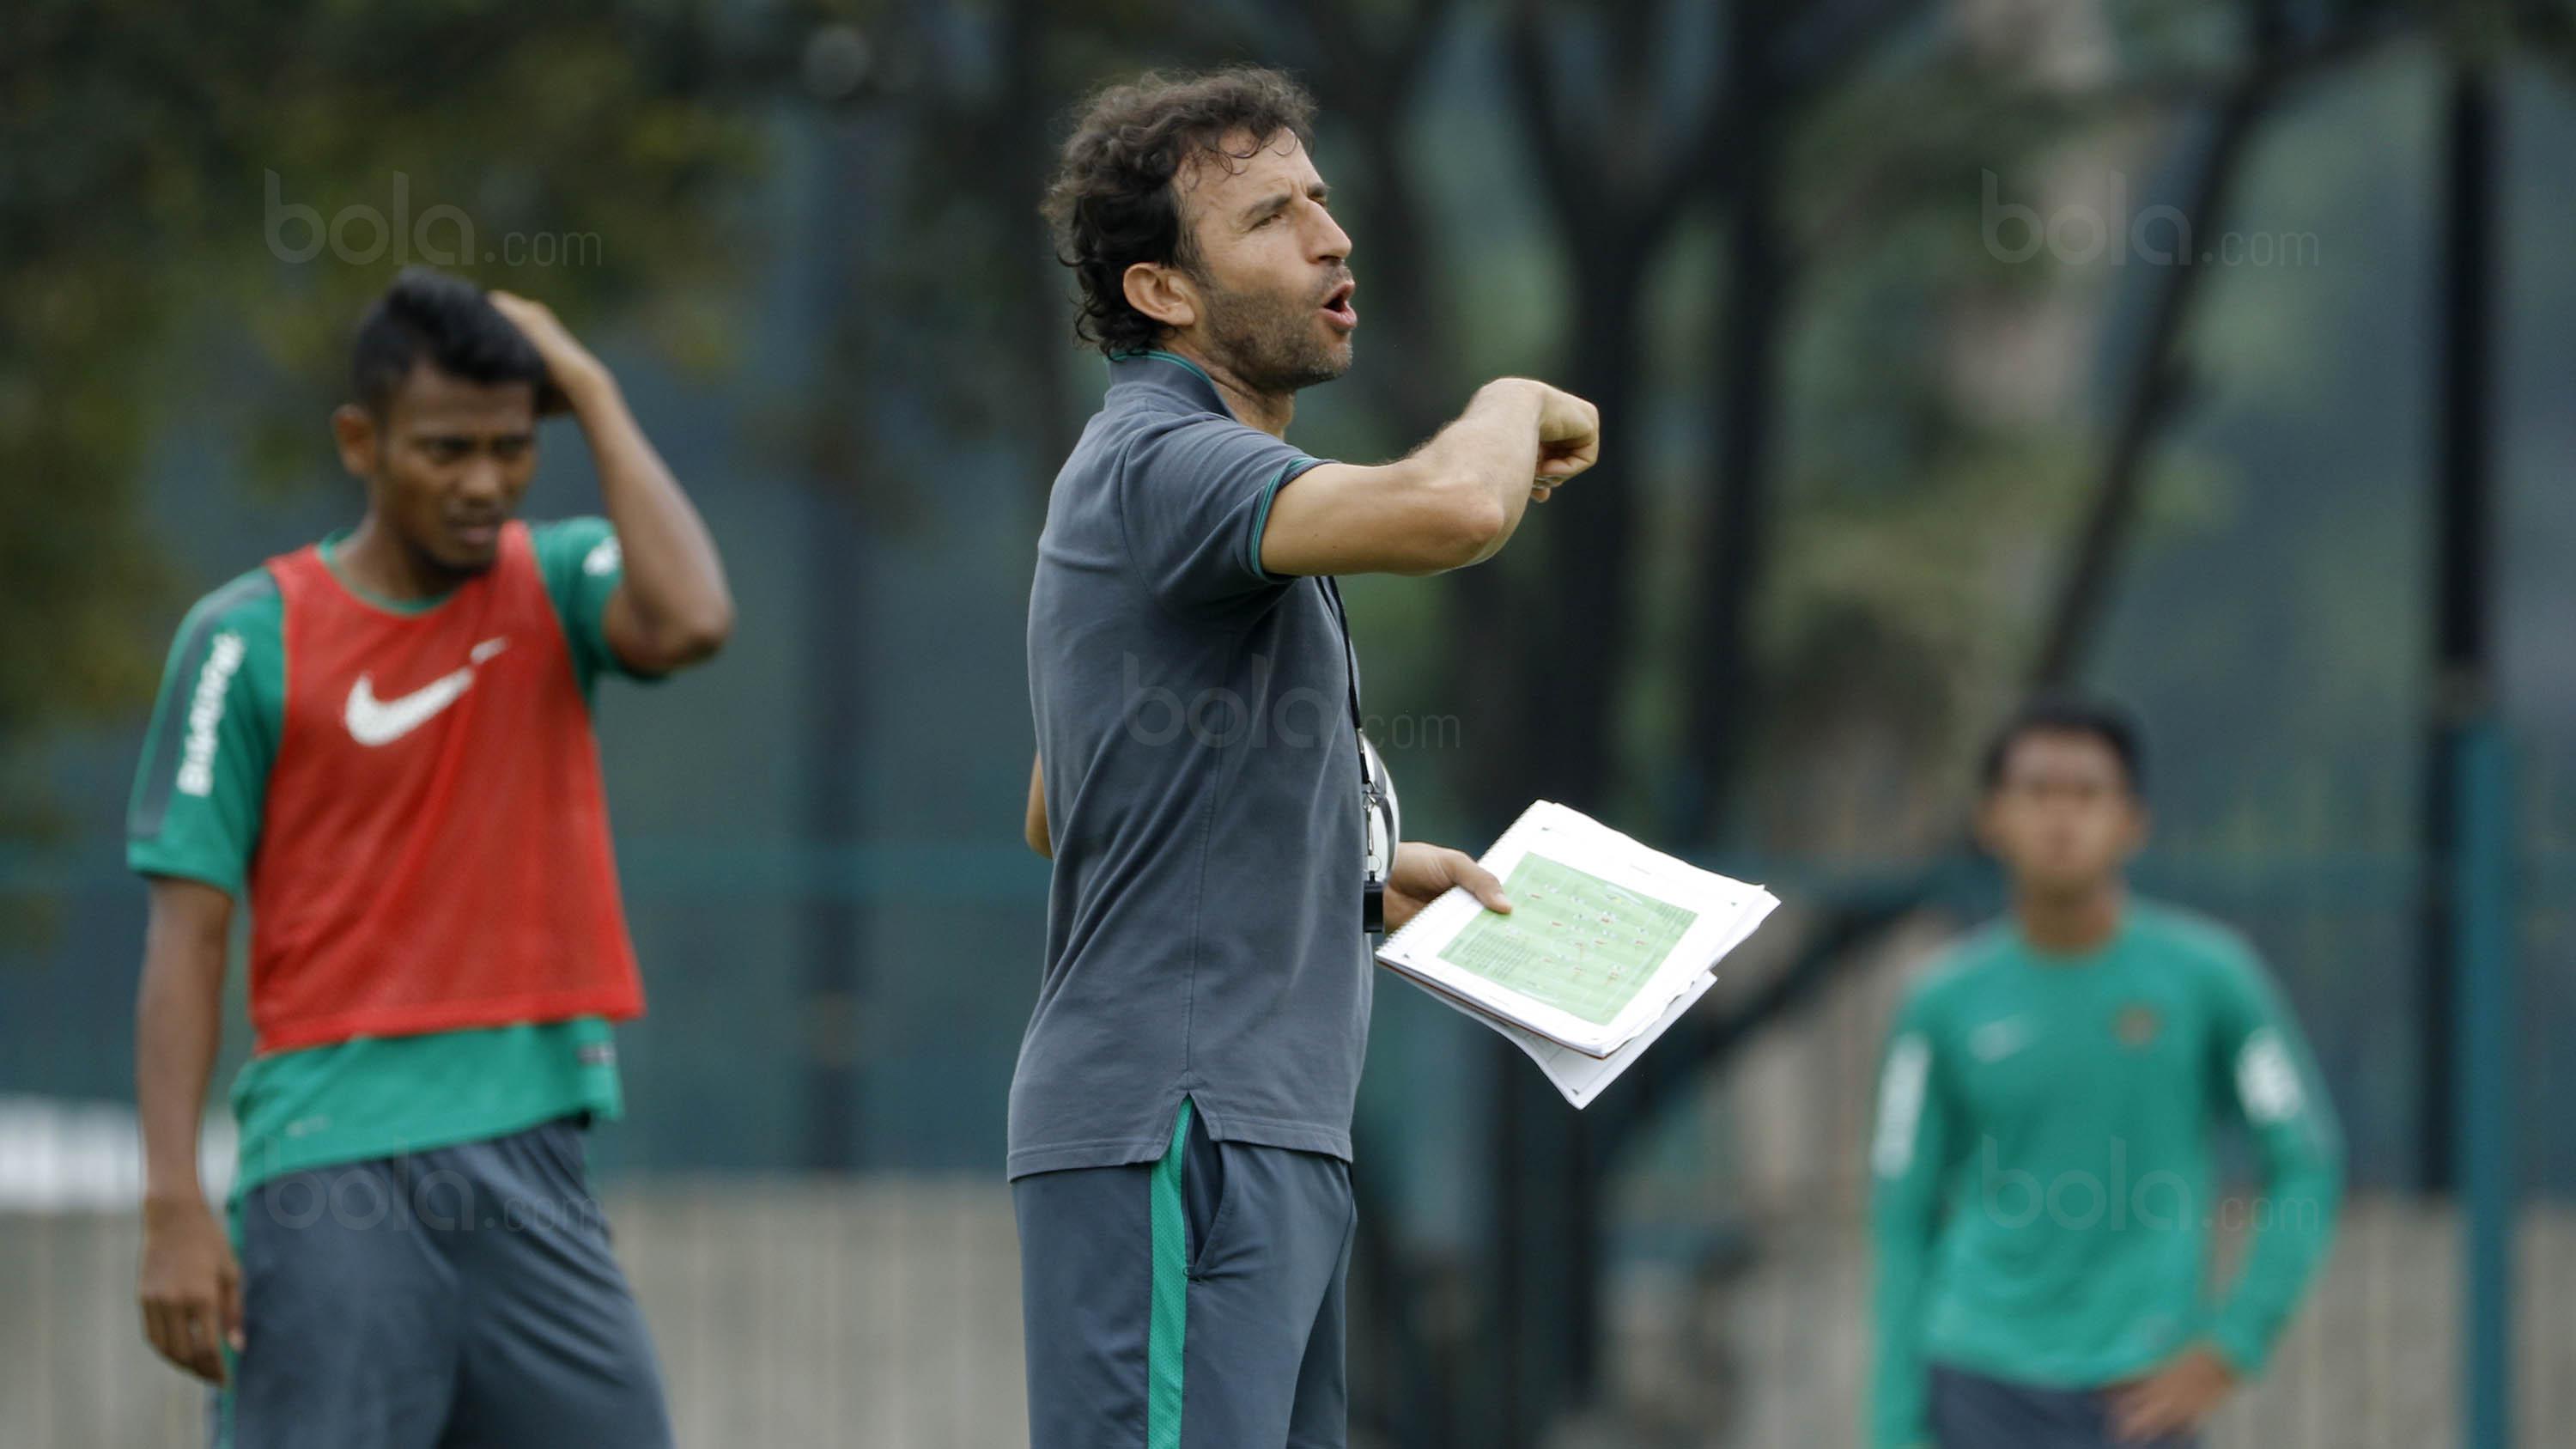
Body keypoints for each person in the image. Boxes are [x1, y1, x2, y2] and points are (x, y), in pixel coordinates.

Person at [1012, 67, 1600, 1449]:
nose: (1332, 238)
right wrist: (1513, 397)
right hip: (1173, 1120)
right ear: (1163, 292)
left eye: (1322, 201)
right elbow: (1458, 506)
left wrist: (1354, 863)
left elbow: (1061, 803)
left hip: (1271, 1126)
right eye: (1274, 216)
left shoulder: (1194, 487)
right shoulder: (1165, 457)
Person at [127, 266, 732, 1447]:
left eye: (511, 450)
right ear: (362, 440)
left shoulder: (557, 581)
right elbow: (186, 938)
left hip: (537, 1153)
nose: (483, 484)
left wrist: (596, 392)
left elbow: (695, 617)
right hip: (333, 1166)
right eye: (445, 449)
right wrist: (171, 1202)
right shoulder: (243, 637)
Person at [1868, 697, 2344, 1448]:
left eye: (2087, 793)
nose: (2062, 818)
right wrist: (1894, 1428)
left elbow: (2305, 1161)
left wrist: (2235, 1342)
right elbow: (1903, 1215)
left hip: (2140, 1392)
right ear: (1992, 818)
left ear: (2133, 821)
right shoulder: (1940, 1003)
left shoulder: (2212, 979)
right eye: (2037, 792)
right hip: (1976, 1379)